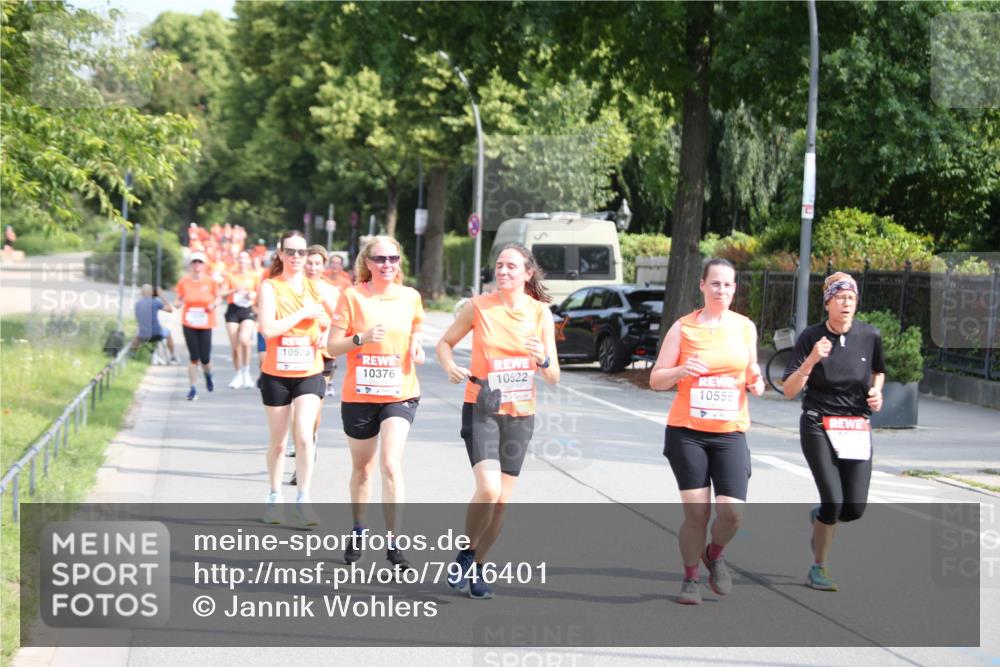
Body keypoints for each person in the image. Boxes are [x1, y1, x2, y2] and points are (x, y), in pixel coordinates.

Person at [436, 243, 560, 599]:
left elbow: (554, 377)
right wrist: (449, 366)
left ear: (527, 273)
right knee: (488, 490)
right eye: (500, 266)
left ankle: (476, 565)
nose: (503, 271)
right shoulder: (479, 307)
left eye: (511, 266)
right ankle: (465, 552)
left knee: (502, 501)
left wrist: (544, 360)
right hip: (482, 406)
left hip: (521, 413)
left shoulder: (540, 314)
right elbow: (445, 344)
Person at [649, 258, 765, 605]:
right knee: (696, 514)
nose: (722, 290)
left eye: (728, 285)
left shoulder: (745, 327)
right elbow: (656, 379)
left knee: (731, 514)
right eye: (715, 283)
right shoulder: (683, 328)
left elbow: (751, 369)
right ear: (702, 286)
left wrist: (756, 381)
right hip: (688, 432)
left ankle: (714, 554)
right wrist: (682, 369)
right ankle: (690, 579)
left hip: (729, 431)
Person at [780, 271, 884, 592]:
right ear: (827, 303)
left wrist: (877, 393)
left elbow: (878, 371)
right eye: (840, 298)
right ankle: (819, 566)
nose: (846, 303)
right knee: (834, 501)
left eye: (851, 298)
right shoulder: (810, 337)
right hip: (818, 425)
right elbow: (789, 389)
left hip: (855, 427)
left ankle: (822, 515)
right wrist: (811, 360)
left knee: (853, 509)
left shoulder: (870, 335)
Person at [326, 236, 425, 570]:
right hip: (360, 395)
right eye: (380, 259)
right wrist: (361, 339)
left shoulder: (410, 296)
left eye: (393, 259)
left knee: (390, 464)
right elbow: (331, 347)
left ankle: (395, 544)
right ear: (367, 262)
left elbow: (417, 328)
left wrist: (417, 346)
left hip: (400, 391)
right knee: (363, 469)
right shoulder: (351, 297)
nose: (387, 265)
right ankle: (358, 528)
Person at [257, 232, 338, 527]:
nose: (296, 257)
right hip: (276, 373)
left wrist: (328, 334)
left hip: (309, 371)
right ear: (280, 254)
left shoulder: (319, 288)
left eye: (301, 252)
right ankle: (275, 496)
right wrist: (304, 313)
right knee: (278, 442)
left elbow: (344, 316)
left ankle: (304, 498)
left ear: (307, 256)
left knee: (304, 436)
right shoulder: (270, 287)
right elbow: (268, 329)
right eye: (289, 251)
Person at [288, 245, 341, 486]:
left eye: (317, 263)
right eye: (309, 262)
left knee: (313, 411)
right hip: (295, 353)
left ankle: (310, 440)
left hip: (323, 355)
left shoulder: (330, 291)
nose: (312, 267)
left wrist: (327, 331)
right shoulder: (290, 288)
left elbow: (342, 323)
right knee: (294, 410)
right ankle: (303, 449)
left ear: (324, 265)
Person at [174, 252, 221, 401]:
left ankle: (208, 374)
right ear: (190, 265)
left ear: (204, 265)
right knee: (194, 357)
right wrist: (177, 303)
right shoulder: (184, 282)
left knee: (205, 358)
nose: (197, 265)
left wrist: (214, 305)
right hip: (189, 322)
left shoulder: (211, 282)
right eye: (194, 262)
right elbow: (179, 298)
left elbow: (218, 297)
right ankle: (193, 389)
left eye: (200, 262)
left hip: (205, 322)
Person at [222, 250, 260, 389]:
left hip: (248, 310)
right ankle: (237, 374)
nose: (242, 261)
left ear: (249, 261)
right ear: (237, 261)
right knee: (235, 345)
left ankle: (246, 372)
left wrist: (252, 295)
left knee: (244, 339)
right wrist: (233, 290)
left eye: (245, 258)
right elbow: (222, 293)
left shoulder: (255, 276)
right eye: (240, 258)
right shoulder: (230, 275)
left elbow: (260, 293)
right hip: (233, 310)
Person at [130, 284, 178, 363]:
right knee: (168, 332)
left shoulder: (137, 304)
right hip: (156, 334)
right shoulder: (155, 302)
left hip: (142, 335)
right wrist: (161, 295)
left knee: (136, 336)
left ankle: (131, 356)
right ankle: (173, 356)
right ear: (152, 292)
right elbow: (170, 309)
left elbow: (138, 319)